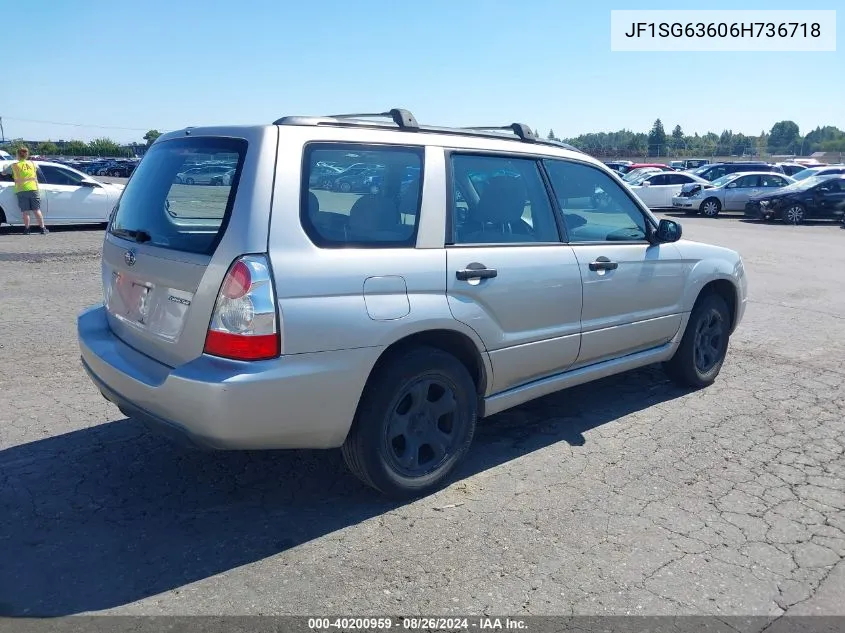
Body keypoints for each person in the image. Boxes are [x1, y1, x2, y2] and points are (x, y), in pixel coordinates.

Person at [1, 147, 48, 234]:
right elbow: (38, 172)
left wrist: (5, 167)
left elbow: (3, 173)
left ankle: (27, 230)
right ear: (26, 155)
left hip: (21, 190)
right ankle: (43, 229)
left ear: (17, 155)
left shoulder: (14, 166)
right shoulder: (32, 164)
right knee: (37, 210)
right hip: (33, 189)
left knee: (25, 212)